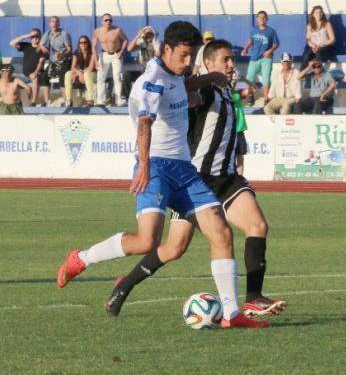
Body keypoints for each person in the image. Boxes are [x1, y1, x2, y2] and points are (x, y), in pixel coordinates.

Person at [56, 21, 268, 329]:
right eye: (183, 56)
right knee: (147, 241)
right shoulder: (152, 81)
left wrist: (209, 77)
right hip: (155, 166)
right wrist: (143, 166)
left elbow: (185, 86)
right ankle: (82, 258)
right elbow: (144, 123)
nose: (187, 62)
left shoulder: (176, 75)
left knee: (221, 234)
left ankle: (232, 315)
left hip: (185, 170)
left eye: (191, 56)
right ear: (165, 49)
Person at [104, 39, 286, 319]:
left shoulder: (229, 93)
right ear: (208, 64)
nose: (230, 65)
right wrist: (201, 79)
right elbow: (179, 92)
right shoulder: (205, 92)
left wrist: (239, 154)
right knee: (174, 248)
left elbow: (233, 130)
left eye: (232, 60)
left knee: (258, 225)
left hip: (226, 180)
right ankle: (124, 285)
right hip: (195, 181)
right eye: (224, 60)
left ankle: (252, 298)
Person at [241, 11, 279, 105]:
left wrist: (270, 51)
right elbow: (251, 40)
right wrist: (245, 48)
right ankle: (250, 96)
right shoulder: (254, 30)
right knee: (250, 79)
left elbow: (276, 44)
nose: (262, 19)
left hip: (266, 58)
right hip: (254, 58)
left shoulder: (271, 31)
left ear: (267, 19)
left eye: (264, 17)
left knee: (265, 79)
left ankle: (266, 99)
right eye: (260, 17)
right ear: (257, 18)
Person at [93, 13, 128, 106]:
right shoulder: (97, 31)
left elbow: (125, 40)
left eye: (110, 20)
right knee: (100, 77)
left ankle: (118, 99)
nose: (108, 22)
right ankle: (100, 100)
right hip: (104, 54)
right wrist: (96, 61)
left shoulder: (117, 30)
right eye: (106, 20)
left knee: (118, 77)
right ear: (102, 22)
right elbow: (94, 47)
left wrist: (121, 52)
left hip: (116, 54)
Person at [10, 29, 49, 106]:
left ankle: (33, 102)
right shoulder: (26, 45)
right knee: (12, 79)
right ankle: (14, 102)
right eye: (32, 36)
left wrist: (35, 72)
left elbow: (41, 62)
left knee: (35, 78)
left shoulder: (42, 48)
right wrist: (25, 36)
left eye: (37, 36)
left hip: (37, 73)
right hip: (25, 73)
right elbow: (11, 43)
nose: (35, 38)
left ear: (40, 36)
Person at [39, 16, 72, 107]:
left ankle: (65, 100)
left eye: (56, 21)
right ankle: (47, 101)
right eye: (52, 21)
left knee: (62, 78)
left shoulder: (64, 34)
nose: (54, 23)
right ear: (50, 24)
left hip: (65, 60)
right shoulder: (48, 33)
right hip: (53, 62)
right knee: (44, 77)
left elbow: (69, 48)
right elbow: (41, 44)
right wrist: (43, 47)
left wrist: (61, 54)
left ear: (59, 23)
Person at [64, 35, 96, 107]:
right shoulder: (76, 52)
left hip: (93, 75)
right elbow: (73, 67)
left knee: (87, 74)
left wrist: (78, 74)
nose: (83, 44)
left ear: (88, 43)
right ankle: (69, 100)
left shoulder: (92, 52)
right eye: (81, 43)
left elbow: (91, 68)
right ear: (79, 44)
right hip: (82, 74)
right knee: (68, 74)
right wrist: (78, 73)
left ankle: (91, 100)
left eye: (85, 42)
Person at [300, 5, 335, 70]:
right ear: (313, 14)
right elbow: (308, 39)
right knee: (306, 55)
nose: (319, 14)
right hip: (314, 47)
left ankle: (318, 74)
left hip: (325, 46)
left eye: (320, 12)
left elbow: (332, 39)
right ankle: (301, 75)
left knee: (318, 53)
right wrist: (313, 46)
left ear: (322, 14)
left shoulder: (327, 24)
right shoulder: (310, 25)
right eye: (316, 12)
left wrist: (320, 45)